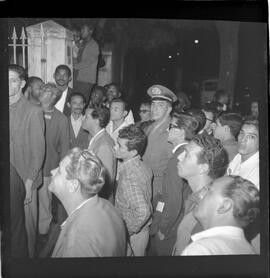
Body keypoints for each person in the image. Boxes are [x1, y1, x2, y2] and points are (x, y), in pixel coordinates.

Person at [49, 148, 126, 257]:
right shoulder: (107, 206)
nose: (52, 171)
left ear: (73, 185)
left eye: (59, 171)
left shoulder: (78, 242)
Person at [149, 112, 198, 256]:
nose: (167, 129)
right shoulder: (188, 152)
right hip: (181, 220)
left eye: (171, 126)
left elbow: (173, 201)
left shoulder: (176, 160)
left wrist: (163, 229)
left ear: (182, 132)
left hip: (171, 225)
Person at [9, 64, 45, 257]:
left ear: (22, 83)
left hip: (25, 181)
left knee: (27, 230)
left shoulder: (33, 111)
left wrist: (29, 183)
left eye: (13, 80)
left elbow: (38, 151)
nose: (7, 84)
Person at [173, 132, 228, 255]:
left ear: (203, 168)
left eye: (186, 155)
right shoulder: (197, 196)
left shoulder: (206, 210)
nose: (179, 157)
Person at [181, 176, 259, 255]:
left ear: (224, 206)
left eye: (209, 190)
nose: (200, 195)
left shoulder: (202, 250)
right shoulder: (249, 250)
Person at [38, 83, 70, 241]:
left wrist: (61, 171)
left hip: (47, 167)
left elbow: (65, 147)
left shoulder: (61, 119)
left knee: (44, 202)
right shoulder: (32, 111)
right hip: (27, 167)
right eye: (43, 89)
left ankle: (43, 233)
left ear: (53, 98)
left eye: (46, 91)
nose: (42, 91)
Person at [114, 124, 152, 256]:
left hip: (134, 237)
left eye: (119, 146)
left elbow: (143, 211)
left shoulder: (128, 176)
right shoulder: (142, 165)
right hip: (142, 232)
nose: (115, 148)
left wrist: (126, 230)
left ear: (133, 152)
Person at [142, 85, 177, 205]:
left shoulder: (172, 134)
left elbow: (173, 172)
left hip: (157, 192)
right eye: (153, 104)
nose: (155, 109)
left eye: (160, 105)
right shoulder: (148, 128)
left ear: (169, 109)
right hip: (144, 188)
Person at [82, 106, 116, 203]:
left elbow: (104, 181)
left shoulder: (104, 145)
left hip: (99, 201)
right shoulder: (95, 138)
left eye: (86, 117)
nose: (82, 118)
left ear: (97, 121)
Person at [227, 117, 259, 189]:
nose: (243, 140)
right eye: (242, 133)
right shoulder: (238, 156)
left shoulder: (257, 171)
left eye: (251, 137)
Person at [73, 24, 99, 104]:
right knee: (74, 100)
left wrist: (74, 67)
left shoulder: (93, 45)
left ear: (90, 31)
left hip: (85, 80)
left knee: (82, 102)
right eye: (81, 29)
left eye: (84, 29)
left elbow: (89, 61)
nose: (81, 32)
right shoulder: (83, 43)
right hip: (77, 77)